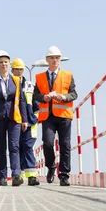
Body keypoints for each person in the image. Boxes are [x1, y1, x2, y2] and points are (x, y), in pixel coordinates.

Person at [33, 46, 78, 186]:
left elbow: (74, 94)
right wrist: (43, 98)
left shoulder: (68, 75)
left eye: (57, 58)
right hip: (48, 116)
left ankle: (64, 175)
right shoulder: (39, 77)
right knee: (47, 143)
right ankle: (51, 167)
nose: (54, 60)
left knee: (65, 145)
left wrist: (64, 97)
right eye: (52, 58)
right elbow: (35, 95)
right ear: (47, 60)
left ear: (60, 60)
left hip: (64, 115)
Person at [0, 50, 28, 186]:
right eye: (1, 62)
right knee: (1, 148)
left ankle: (16, 175)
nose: (3, 64)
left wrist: (25, 119)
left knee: (14, 146)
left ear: (9, 64)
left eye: (6, 62)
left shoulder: (16, 80)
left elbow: (22, 100)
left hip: (14, 118)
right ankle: (2, 177)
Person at [11, 58, 40, 186]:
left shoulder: (30, 86)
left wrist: (32, 119)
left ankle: (32, 176)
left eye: (21, 69)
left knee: (28, 147)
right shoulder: (9, 85)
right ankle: (20, 175)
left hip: (30, 123)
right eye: (16, 69)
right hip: (16, 122)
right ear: (12, 70)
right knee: (18, 148)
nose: (19, 71)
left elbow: (36, 105)